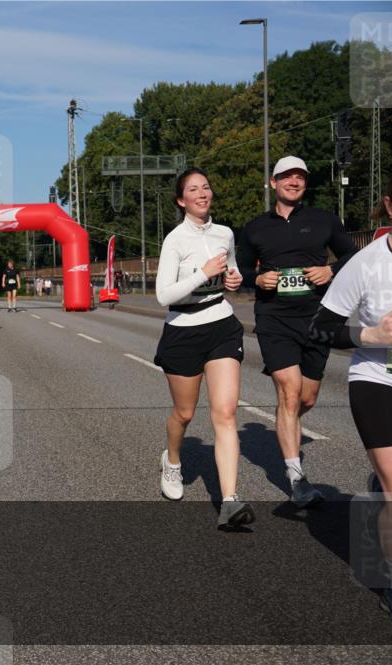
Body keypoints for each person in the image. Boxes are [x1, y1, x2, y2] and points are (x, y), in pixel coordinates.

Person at [309, 166, 392, 626]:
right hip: (382, 381)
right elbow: (322, 327)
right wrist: (370, 333)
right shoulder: (367, 263)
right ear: (390, 206)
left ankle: (382, 485)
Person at [236, 155, 357, 508]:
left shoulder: (324, 220)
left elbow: (352, 255)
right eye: (286, 176)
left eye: (300, 177)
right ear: (273, 183)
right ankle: (296, 478)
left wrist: (331, 271)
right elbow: (241, 270)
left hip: (319, 318)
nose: (294, 181)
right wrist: (257, 278)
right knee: (289, 392)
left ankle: (285, 422)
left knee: (306, 398)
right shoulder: (256, 227)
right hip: (275, 318)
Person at [154, 168, 249, 528]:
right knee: (185, 414)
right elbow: (165, 295)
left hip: (221, 325)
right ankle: (173, 462)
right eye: (193, 189)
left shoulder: (225, 233)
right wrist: (201, 272)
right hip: (183, 331)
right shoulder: (175, 240)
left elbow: (232, 273)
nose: (202, 193)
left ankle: (229, 501)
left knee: (225, 413)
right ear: (181, 200)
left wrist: (233, 279)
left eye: (206, 186)